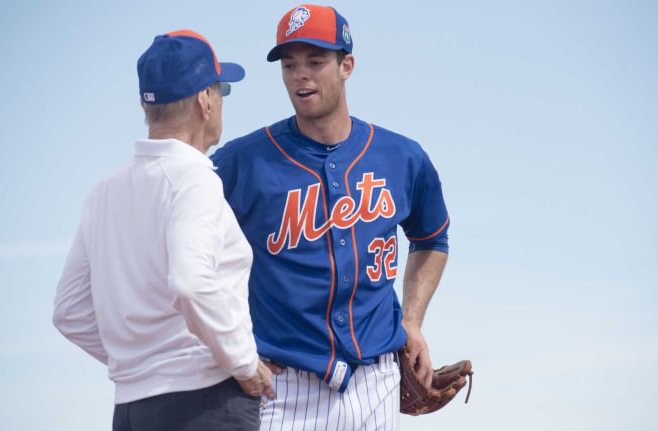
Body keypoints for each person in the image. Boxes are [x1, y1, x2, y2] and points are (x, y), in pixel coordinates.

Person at [210, 5, 450, 430]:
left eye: (316, 61)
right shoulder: (240, 163)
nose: (301, 75)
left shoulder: (402, 157)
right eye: (289, 64)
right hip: (282, 386)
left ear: (347, 66)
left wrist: (412, 320)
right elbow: (188, 257)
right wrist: (233, 347)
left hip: (378, 380)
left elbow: (431, 239)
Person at [53, 29, 274, 431]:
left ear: (144, 103)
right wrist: (244, 364)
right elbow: (190, 281)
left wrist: (143, 364)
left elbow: (69, 313)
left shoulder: (103, 192)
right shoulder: (194, 179)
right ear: (205, 101)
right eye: (221, 89)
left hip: (132, 411)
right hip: (206, 404)